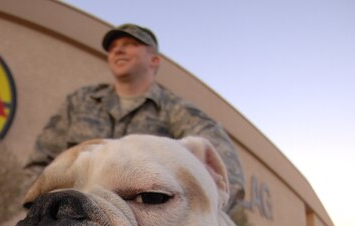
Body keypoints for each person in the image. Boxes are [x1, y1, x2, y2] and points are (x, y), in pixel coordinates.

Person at [25, 23, 245, 212]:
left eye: (130, 44)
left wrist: (194, 221)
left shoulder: (175, 110)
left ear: (154, 60)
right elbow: (39, 164)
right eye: (113, 47)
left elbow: (225, 172)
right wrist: (40, 213)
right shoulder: (80, 102)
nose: (118, 50)